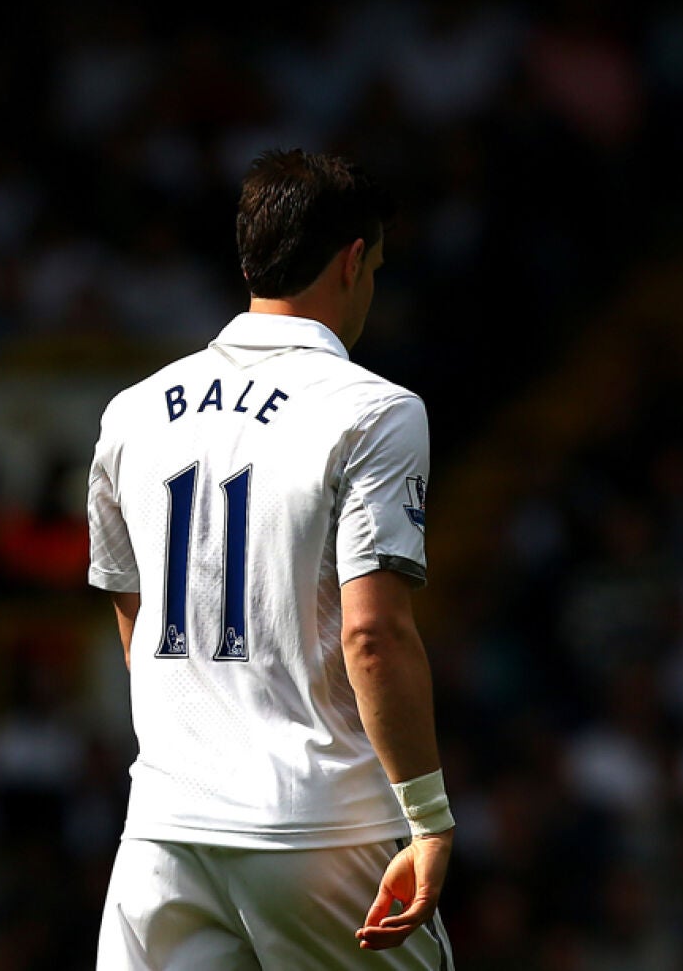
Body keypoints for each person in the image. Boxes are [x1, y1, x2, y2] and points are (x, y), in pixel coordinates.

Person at [87, 150, 455, 968]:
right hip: (320, 831)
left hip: (163, 835)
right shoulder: (376, 410)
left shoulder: (131, 412)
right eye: (378, 267)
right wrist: (428, 816)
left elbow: (134, 619)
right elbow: (374, 636)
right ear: (354, 259)